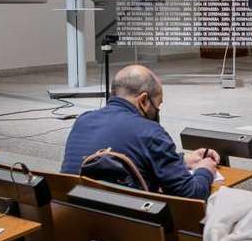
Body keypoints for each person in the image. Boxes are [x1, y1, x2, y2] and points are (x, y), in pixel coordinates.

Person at [61, 65, 219, 199]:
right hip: (130, 227)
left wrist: (183, 160)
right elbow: (191, 194)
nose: (158, 110)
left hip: (75, 220)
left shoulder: (83, 120)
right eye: (158, 104)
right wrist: (205, 169)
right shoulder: (150, 131)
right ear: (143, 100)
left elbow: (131, 152)